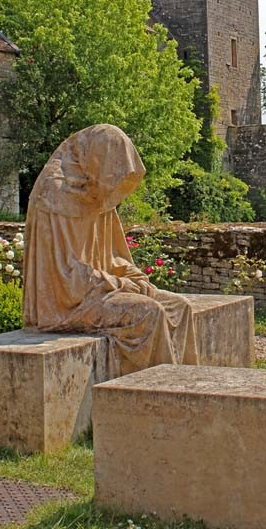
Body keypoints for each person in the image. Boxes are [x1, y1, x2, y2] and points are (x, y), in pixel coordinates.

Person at [22, 124, 199, 376]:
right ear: (99, 159)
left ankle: (183, 385)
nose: (113, 185)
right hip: (69, 305)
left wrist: (133, 277)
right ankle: (147, 396)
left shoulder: (96, 187)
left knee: (180, 307)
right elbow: (67, 281)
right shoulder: (56, 195)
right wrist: (122, 285)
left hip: (100, 288)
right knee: (148, 314)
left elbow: (111, 257)